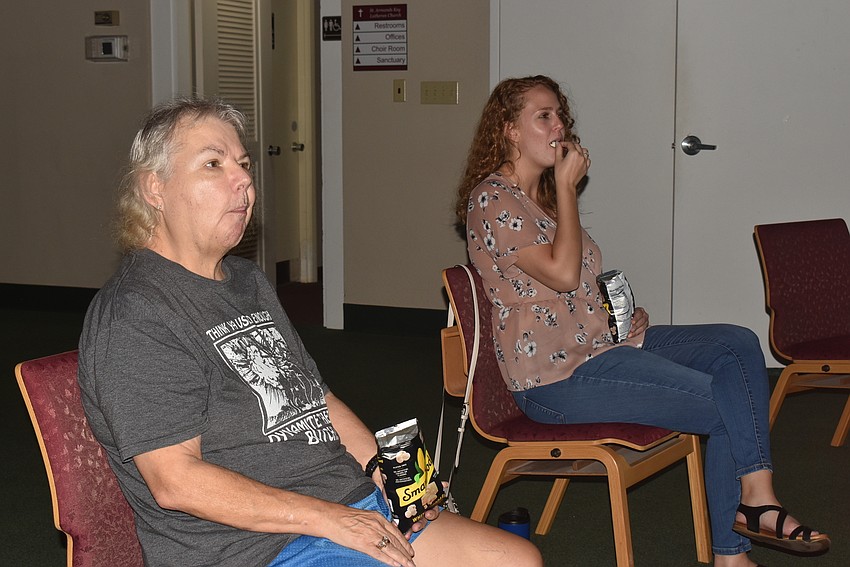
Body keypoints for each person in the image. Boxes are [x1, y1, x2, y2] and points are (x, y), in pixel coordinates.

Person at [77, 97, 543, 567]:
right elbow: (175, 482)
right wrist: (329, 519)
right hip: (252, 547)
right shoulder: (138, 312)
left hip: (341, 504)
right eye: (212, 164)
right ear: (153, 188)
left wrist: (385, 473)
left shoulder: (247, 281)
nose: (243, 180)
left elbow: (317, 401)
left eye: (242, 164)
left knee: (517, 560)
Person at [455, 75, 830, 567]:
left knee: (736, 344)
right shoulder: (492, 200)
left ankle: (758, 495)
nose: (559, 127)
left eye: (560, 115)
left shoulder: (540, 201)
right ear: (508, 130)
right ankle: (731, 556)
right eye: (543, 116)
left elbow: (575, 290)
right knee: (722, 402)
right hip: (556, 380)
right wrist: (567, 188)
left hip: (601, 348)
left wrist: (619, 318)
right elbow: (565, 274)